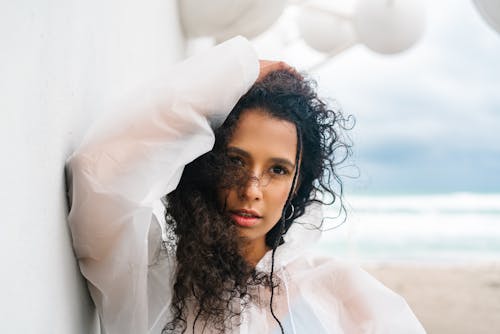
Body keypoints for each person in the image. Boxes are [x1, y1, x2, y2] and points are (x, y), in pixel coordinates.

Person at [66, 36, 425, 334]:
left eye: (278, 170)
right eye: (235, 161)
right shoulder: (149, 280)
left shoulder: (339, 290)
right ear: (206, 163)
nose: (252, 189)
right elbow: (100, 172)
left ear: (297, 186)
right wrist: (238, 72)